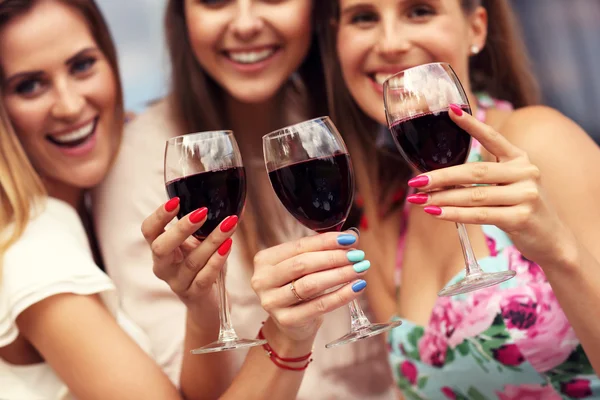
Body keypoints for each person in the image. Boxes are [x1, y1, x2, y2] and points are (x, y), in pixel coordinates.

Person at [0, 1, 365, 399]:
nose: (70, 106)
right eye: (29, 85)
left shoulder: (67, 220)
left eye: (83, 65)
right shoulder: (35, 249)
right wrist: (287, 333)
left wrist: (203, 308)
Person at [93, 1, 396, 399]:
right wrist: (201, 313)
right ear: (183, 17)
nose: (247, 24)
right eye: (216, 1)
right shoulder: (142, 161)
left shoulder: (354, 116)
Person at [316, 0, 600, 398]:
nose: (391, 42)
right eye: (363, 18)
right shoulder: (383, 215)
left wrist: (559, 253)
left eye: (419, 11)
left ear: (477, 28)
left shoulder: (541, 141)